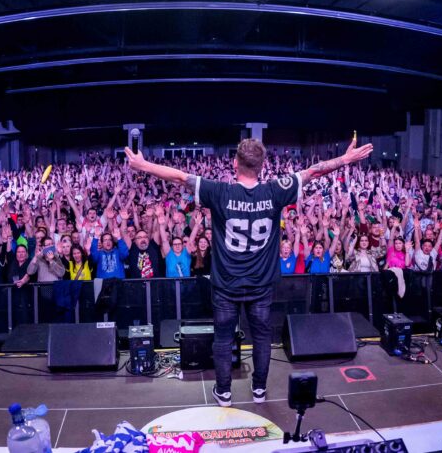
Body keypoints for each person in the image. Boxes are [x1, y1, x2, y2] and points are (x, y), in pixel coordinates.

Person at [125, 136, 372, 407]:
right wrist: (345, 159)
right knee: (262, 338)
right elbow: (313, 172)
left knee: (223, 338)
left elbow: (181, 177)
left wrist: (144, 165)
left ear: (235, 164)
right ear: (263, 166)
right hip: (261, 284)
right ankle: (259, 389)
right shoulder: (275, 190)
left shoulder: (219, 192)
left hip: (226, 284)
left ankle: (224, 392)